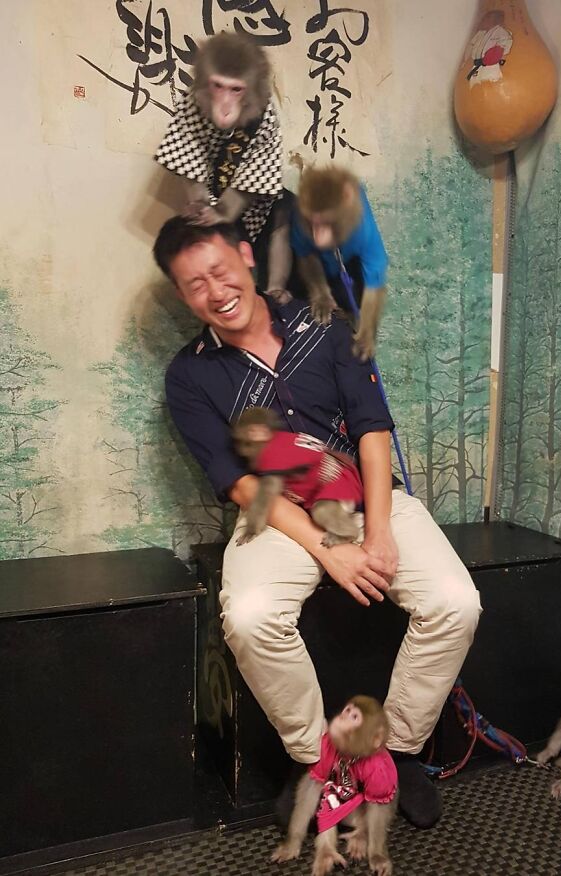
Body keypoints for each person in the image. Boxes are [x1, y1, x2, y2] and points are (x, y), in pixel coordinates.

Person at [154, 216, 482, 828]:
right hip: (277, 516)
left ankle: (399, 753)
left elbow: (372, 431)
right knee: (250, 618)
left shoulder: (328, 324)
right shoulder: (189, 375)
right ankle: (319, 761)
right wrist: (328, 547)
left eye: (220, 270)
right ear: (181, 293)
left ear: (246, 256)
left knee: (456, 603)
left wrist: (378, 531)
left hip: (367, 497)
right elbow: (240, 484)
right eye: (195, 284)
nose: (215, 291)